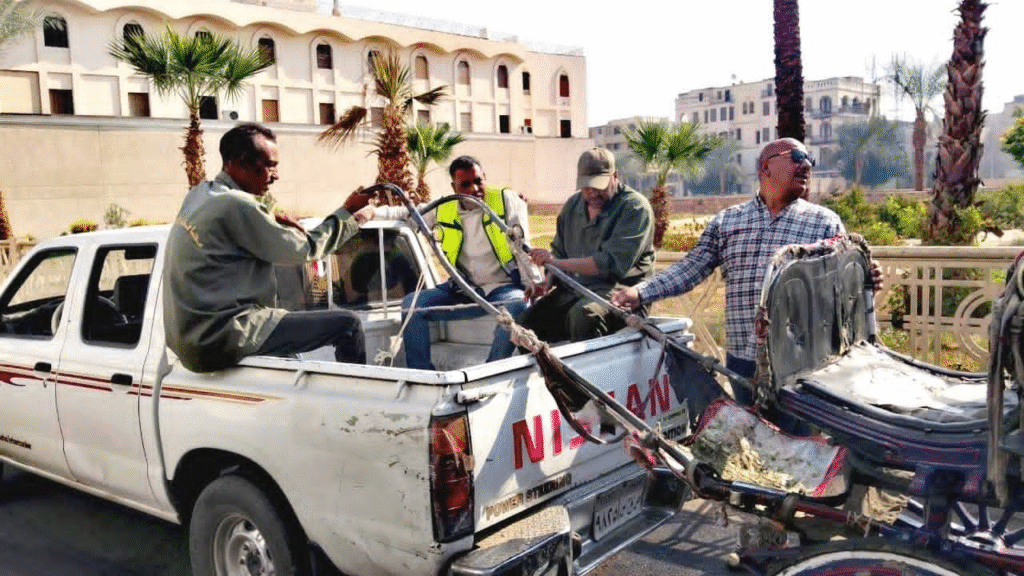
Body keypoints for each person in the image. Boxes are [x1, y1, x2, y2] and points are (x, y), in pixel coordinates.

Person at [612, 138, 879, 421]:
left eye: (809, 159)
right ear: (765, 167)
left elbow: (843, 289)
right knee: (751, 435)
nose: (806, 165)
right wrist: (641, 292)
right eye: (796, 157)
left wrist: (864, 281)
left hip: (802, 365)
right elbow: (690, 268)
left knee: (797, 442)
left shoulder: (824, 223)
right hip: (743, 360)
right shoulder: (728, 222)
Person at [163, 123, 376, 373]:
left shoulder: (201, 194)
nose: (276, 175)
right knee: (348, 325)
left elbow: (231, 222)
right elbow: (305, 249)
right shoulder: (238, 205)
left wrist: (271, 217)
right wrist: (351, 216)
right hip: (224, 334)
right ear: (240, 163)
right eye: (270, 165)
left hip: (190, 342)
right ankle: (356, 395)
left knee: (289, 350)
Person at [394, 155, 541, 370]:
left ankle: (490, 372)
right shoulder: (443, 207)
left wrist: (534, 285)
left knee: (517, 305)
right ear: (454, 187)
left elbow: (524, 247)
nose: (474, 189)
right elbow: (408, 214)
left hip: (503, 288)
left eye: (478, 181)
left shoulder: (506, 200)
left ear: (485, 178)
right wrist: (372, 212)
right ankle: (421, 373)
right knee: (412, 304)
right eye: (465, 184)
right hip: (463, 290)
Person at [518, 147, 654, 342]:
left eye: (599, 186)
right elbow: (560, 251)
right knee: (525, 324)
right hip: (574, 290)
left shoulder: (635, 208)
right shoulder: (572, 205)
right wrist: (548, 281)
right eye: (586, 187)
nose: (592, 193)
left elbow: (607, 264)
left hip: (620, 293)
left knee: (584, 316)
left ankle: (586, 363)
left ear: (615, 177)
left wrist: (555, 262)